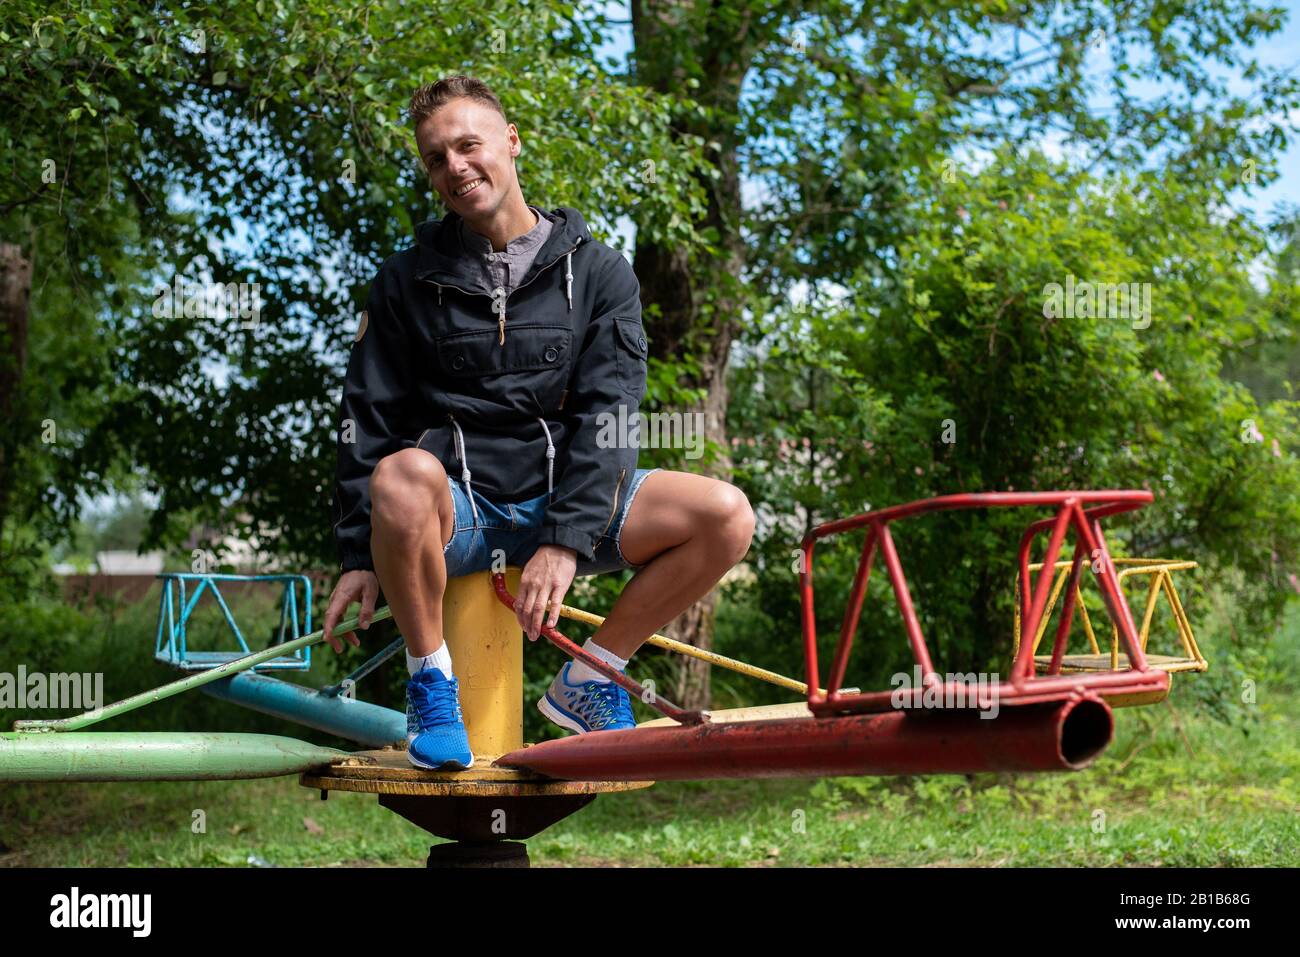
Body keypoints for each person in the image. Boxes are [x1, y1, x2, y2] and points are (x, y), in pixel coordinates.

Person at [322, 75, 755, 770]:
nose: (455, 167)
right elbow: (366, 415)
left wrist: (567, 538)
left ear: (512, 143)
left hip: (564, 501)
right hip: (461, 514)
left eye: (468, 145)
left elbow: (607, 417)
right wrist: (357, 553)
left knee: (726, 514)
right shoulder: (406, 280)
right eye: (437, 158)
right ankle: (431, 682)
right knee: (400, 474)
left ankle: (592, 677)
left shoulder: (602, 273)